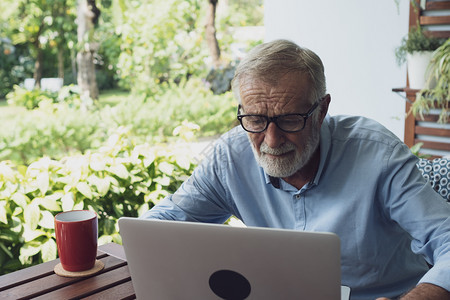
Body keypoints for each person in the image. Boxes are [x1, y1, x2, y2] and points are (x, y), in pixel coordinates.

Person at [141, 39, 450, 300]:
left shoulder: (378, 154)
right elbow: (156, 230)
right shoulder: (229, 158)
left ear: (322, 110)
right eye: (256, 120)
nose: (271, 140)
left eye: (290, 120)